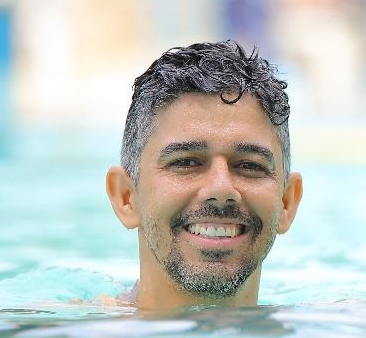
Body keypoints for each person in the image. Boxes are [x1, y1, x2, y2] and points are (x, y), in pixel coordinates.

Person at [104, 41, 304, 310]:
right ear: (126, 198)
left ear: (287, 203)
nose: (221, 189)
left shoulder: (339, 327)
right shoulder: (72, 332)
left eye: (249, 165)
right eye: (186, 162)